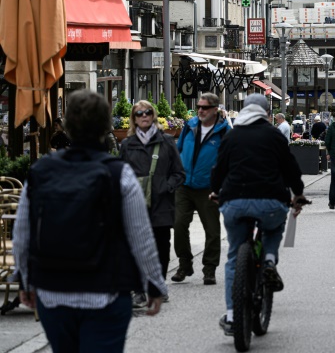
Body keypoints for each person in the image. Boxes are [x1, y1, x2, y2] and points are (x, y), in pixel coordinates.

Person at [13, 90, 167, 351]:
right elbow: (140, 235)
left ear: (68, 125)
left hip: (53, 292)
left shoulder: (41, 171)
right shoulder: (119, 174)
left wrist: (25, 279)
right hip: (106, 291)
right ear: (105, 126)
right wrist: (154, 283)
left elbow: (23, 232)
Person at [210, 93, 307, 335]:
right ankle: (270, 260)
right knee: (273, 228)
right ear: (266, 113)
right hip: (270, 202)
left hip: (235, 202)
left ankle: (232, 316)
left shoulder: (232, 136)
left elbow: (219, 168)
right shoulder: (275, 135)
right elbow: (291, 168)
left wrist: (215, 191)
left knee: (234, 257)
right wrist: (298, 194)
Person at [119, 100, 185, 307]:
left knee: (161, 248)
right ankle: (138, 290)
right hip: (135, 204)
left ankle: (157, 287)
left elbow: (179, 173)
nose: (144, 116)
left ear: (153, 115)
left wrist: (167, 186)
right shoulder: (127, 145)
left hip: (162, 204)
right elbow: (120, 173)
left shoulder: (166, 141)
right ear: (134, 119)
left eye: (147, 112)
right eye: (139, 114)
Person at [173, 92, 231, 285]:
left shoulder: (224, 132)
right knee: (179, 225)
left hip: (208, 188)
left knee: (212, 231)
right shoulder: (189, 127)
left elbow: (228, 162)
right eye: (199, 106)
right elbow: (178, 150)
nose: (200, 110)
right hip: (184, 185)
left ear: (215, 110)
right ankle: (184, 264)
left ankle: (209, 269)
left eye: (204, 107)